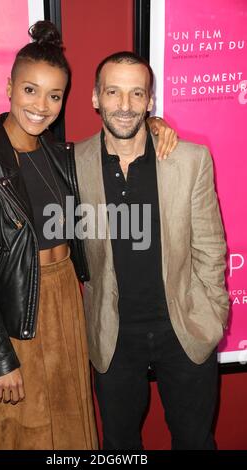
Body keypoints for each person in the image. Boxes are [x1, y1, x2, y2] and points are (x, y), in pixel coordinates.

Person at [0, 22, 175, 450]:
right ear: (9, 86)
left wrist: (156, 124)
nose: (42, 106)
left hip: (65, 304)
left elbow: (118, 139)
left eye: (54, 95)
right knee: (23, 432)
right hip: (18, 312)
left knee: (68, 427)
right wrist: (0, 359)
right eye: (31, 90)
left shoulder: (61, 155)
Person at [72, 51, 229, 450]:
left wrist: (213, 313)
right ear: (95, 97)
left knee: (194, 441)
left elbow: (211, 246)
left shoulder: (190, 160)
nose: (124, 106)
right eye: (113, 92)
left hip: (184, 327)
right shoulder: (72, 162)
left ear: (150, 101)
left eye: (136, 94)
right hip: (113, 334)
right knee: (119, 445)